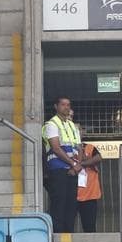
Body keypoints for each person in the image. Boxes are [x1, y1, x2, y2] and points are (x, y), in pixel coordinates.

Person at [42, 96, 82, 233]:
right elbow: (56, 148)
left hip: (72, 169)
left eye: (68, 105)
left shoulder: (72, 125)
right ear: (56, 106)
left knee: (71, 204)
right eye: (63, 104)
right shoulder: (52, 124)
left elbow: (79, 147)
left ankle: (68, 233)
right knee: (59, 202)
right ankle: (58, 234)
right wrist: (73, 164)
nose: (66, 107)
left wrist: (77, 166)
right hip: (57, 169)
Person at [75, 133, 104, 233]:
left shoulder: (90, 147)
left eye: (78, 131)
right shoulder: (67, 149)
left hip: (89, 196)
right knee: (67, 226)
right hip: (72, 196)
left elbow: (98, 158)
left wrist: (82, 163)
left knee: (89, 228)